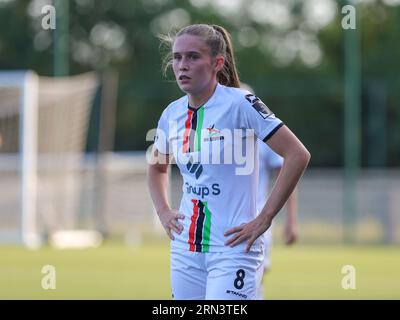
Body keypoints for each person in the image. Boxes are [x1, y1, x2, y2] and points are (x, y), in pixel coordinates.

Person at [147, 23, 310, 300]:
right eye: (177, 57)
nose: (182, 65)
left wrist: (265, 218)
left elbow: (297, 155)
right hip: (186, 247)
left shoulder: (242, 104)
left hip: (234, 247)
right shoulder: (171, 114)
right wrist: (163, 211)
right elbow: (157, 167)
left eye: (193, 57)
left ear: (217, 63)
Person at [257, 140, 298, 299]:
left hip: (258, 221)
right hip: (215, 223)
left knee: (256, 279)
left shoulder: (263, 131)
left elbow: (287, 174)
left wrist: (291, 220)